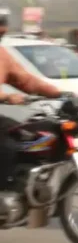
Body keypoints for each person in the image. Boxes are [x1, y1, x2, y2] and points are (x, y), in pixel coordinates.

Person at [1, 19, 63, 192]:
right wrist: (6, 96)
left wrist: (58, 93)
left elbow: (26, 80)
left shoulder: (2, 55)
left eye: (2, 33)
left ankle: (20, 185)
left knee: (27, 135)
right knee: (6, 147)